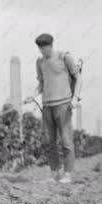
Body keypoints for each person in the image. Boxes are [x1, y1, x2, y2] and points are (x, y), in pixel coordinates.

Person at [25, 33, 82, 183]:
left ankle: (67, 175)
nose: (43, 51)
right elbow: (41, 84)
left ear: (51, 45)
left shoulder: (64, 57)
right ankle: (55, 173)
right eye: (40, 48)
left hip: (63, 104)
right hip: (47, 105)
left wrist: (75, 98)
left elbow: (78, 78)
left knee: (66, 140)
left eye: (45, 48)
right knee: (50, 141)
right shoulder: (40, 62)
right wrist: (33, 95)